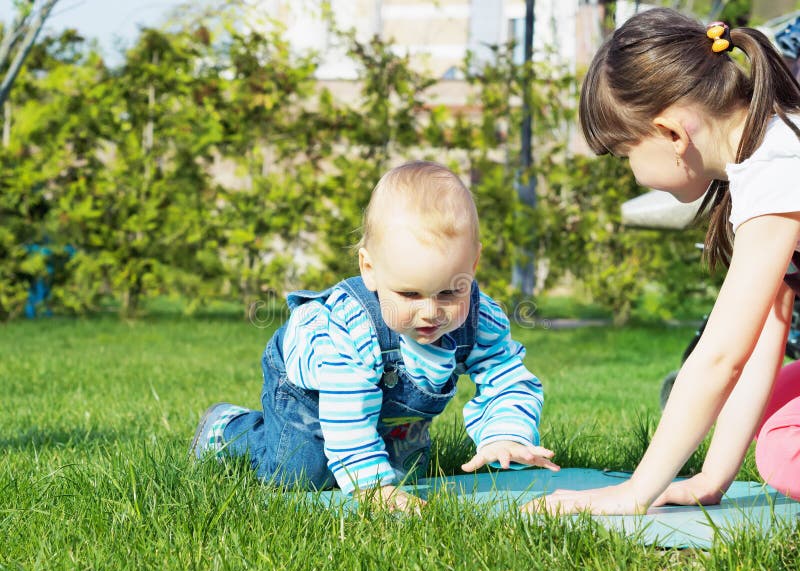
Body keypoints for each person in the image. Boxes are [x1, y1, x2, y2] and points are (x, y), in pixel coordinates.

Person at [531, 7, 800, 516]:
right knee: (770, 412)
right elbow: (767, 335)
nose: (630, 173)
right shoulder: (769, 153)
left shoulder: (777, 169)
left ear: (672, 134)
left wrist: (636, 493)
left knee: (781, 447)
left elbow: (722, 357)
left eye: (622, 153)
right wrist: (709, 480)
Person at [191, 160, 559, 511]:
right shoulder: (351, 329)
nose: (431, 312)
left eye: (449, 292)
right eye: (410, 294)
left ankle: (380, 449)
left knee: (408, 475)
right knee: (304, 470)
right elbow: (347, 407)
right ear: (370, 269)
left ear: (472, 264)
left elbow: (506, 375)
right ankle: (229, 430)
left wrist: (506, 434)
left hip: (381, 394)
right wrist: (371, 488)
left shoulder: (480, 318)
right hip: (312, 385)